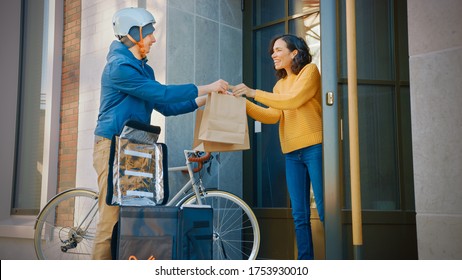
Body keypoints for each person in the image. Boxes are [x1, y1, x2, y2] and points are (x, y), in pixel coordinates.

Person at [92, 7, 228, 260]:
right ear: (133, 33)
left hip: (134, 147)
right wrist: (207, 85)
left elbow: (166, 106)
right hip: (111, 145)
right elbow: (163, 94)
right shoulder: (119, 67)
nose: (154, 39)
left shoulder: (145, 70)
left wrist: (206, 97)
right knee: (112, 219)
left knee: (135, 218)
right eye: (150, 33)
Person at [232, 34, 323, 260]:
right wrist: (243, 102)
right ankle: (306, 264)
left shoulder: (309, 72)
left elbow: (293, 100)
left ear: (294, 53)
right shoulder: (279, 85)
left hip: (315, 148)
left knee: (324, 210)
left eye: (278, 50)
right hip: (291, 152)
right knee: (299, 215)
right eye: (272, 51)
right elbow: (273, 116)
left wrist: (253, 92)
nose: (273, 54)